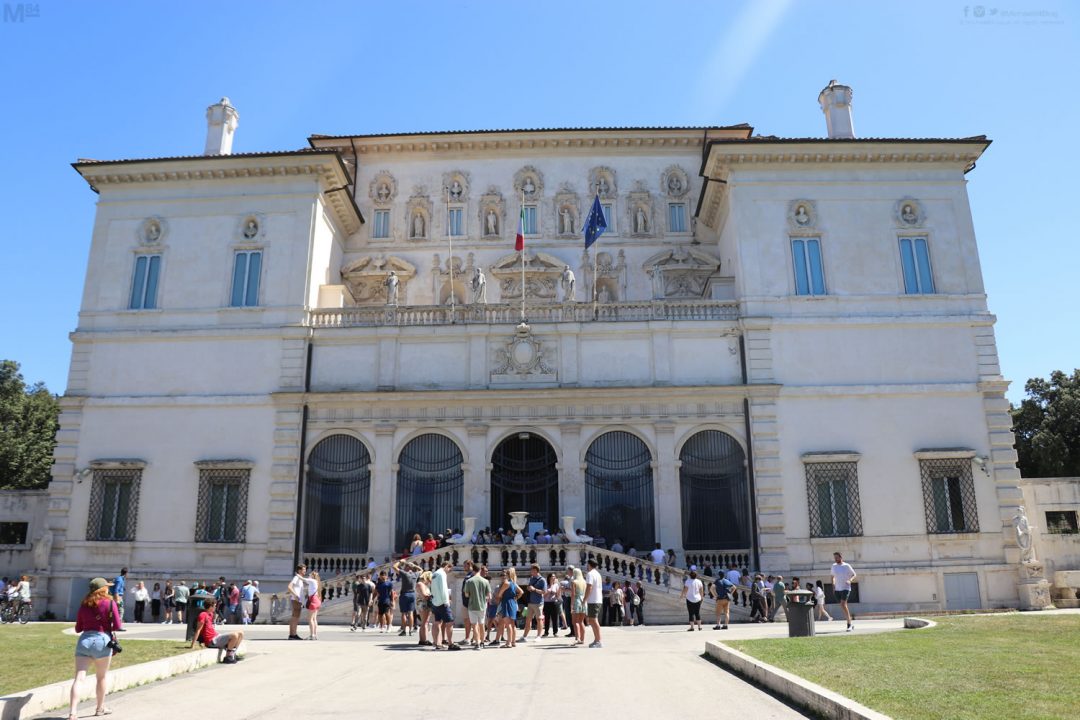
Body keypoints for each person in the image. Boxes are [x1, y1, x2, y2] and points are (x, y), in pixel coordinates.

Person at [67, 577, 121, 720]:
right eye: (107, 587)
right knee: (101, 677)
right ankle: (100, 708)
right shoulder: (110, 603)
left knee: (79, 678)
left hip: (84, 641)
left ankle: (72, 712)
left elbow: (78, 628)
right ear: (103, 589)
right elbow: (116, 625)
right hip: (102, 640)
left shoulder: (84, 604)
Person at [190, 597, 243, 664]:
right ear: (210, 606)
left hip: (216, 636)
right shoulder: (203, 615)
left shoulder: (211, 614)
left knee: (241, 633)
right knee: (234, 635)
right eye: (214, 606)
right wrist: (192, 645)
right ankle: (228, 657)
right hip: (211, 641)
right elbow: (198, 630)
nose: (215, 607)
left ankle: (233, 654)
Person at [430, 560, 460, 650]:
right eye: (449, 569)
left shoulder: (435, 573)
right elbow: (443, 588)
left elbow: (433, 588)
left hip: (435, 601)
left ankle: (436, 643)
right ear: (447, 566)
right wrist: (446, 601)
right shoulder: (442, 574)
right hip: (442, 602)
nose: (449, 571)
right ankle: (450, 643)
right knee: (450, 622)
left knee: (436, 622)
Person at [463, 563, 492, 650]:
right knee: (482, 625)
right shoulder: (485, 581)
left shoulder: (469, 581)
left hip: (472, 606)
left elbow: (467, 595)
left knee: (474, 625)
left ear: (473, 570)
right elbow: (489, 596)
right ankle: (482, 642)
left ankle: (477, 643)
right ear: (480, 570)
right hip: (482, 605)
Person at [392, 558, 421, 636]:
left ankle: (404, 630)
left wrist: (400, 561)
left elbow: (394, 567)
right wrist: (414, 565)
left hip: (405, 594)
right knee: (411, 613)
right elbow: (421, 570)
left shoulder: (405, 573)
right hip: (412, 594)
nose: (404, 567)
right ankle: (411, 630)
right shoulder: (415, 574)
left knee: (404, 613)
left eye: (405, 566)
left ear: (407, 568)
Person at [495, 568, 522, 648]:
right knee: (513, 624)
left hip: (506, 603)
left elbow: (499, 595)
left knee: (508, 623)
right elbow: (521, 592)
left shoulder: (506, 583)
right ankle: (513, 642)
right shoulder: (513, 583)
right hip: (513, 603)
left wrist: (499, 596)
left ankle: (508, 642)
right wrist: (516, 597)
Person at [831, 552, 857, 631]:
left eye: (837, 557)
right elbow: (832, 576)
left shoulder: (846, 566)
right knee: (843, 606)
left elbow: (854, 574)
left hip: (846, 587)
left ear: (841, 557)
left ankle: (849, 624)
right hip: (837, 589)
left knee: (843, 604)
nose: (835, 559)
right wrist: (833, 585)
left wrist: (850, 580)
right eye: (834, 558)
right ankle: (850, 623)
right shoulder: (833, 566)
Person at [520, 564, 547, 641]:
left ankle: (539, 636)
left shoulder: (542, 580)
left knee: (539, 619)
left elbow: (544, 592)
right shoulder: (531, 579)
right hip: (531, 602)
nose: (530, 571)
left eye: (532, 570)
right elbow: (529, 587)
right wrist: (529, 588)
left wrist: (534, 589)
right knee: (528, 619)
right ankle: (524, 636)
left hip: (539, 603)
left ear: (536, 570)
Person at [584, 559, 603, 648]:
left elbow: (589, 587)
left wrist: (585, 599)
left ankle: (598, 640)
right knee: (592, 620)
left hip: (593, 600)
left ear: (589, 565)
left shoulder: (590, 574)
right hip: (597, 599)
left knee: (594, 620)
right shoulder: (597, 574)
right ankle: (596, 639)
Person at [286, 563, 307, 640]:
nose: (305, 571)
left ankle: (292, 634)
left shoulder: (300, 578)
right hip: (296, 600)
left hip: (297, 600)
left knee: (295, 617)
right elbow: (289, 587)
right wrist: (296, 595)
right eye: (304, 569)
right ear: (299, 570)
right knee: (295, 617)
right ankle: (293, 635)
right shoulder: (296, 577)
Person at [541, 573, 561, 637]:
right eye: (552, 576)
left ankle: (555, 632)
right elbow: (542, 595)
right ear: (549, 577)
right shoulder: (546, 585)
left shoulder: (556, 585)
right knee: (547, 618)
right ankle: (546, 632)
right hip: (547, 603)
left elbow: (558, 596)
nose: (554, 577)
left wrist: (556, 593)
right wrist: (548, 592)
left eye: (555, 576)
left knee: (555, 618)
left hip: (554, 602)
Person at [306, 572, 322, 640]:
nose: (309, 575)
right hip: (317, 601)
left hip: (313, 601)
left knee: (310, 619)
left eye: (310, 574)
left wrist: (297, 575)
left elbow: (303, 579)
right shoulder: (317, 582)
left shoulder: (312, 580)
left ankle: (312, 635)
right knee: (314, 619)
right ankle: (314, 634)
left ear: (313, 576)